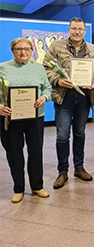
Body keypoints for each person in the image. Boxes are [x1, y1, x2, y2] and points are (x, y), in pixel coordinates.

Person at [44, 17, 94, 189]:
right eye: (74, 28)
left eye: (80, 29)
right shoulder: (56, 47)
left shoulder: (93, 49)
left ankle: (79, 167)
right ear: (68, 30)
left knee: (80, 133)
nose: (77, 32)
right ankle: (62, 171)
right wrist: (58, 81)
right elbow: (46, 66)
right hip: (64, 97)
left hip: (84, 97)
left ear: (85, 31)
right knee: (62, 135)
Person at [0, 38, 51, 203]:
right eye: (18, 49)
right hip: (10, 117)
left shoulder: (38, 68)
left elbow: (47, 88)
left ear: (32, 51)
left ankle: (37, 186)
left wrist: (44, 97)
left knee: (36, 151)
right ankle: (18, 188)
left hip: (35, 117)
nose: (23, 52)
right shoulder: (3, 68)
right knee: (14, 153)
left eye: (27, 49)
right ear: (12, 50)